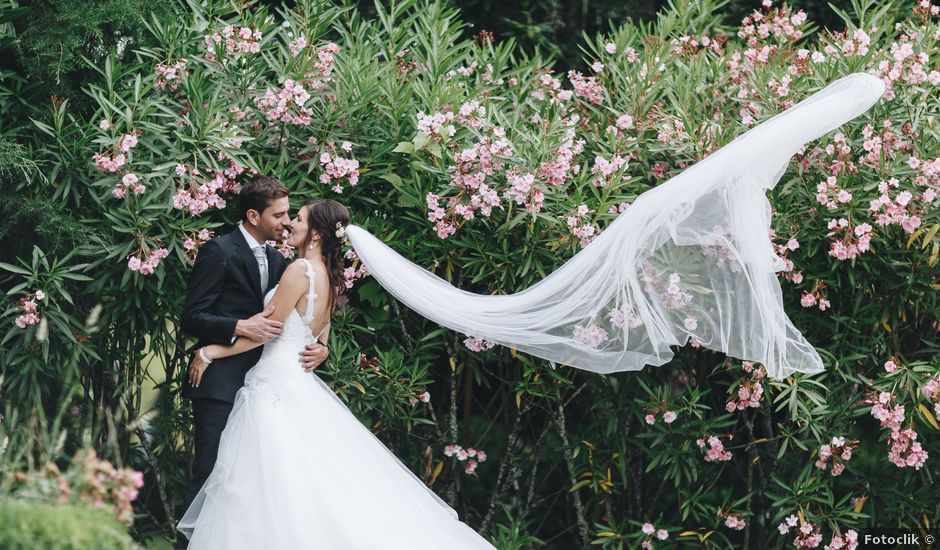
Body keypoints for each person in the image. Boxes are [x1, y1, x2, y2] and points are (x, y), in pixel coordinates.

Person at [177, 199, 495, 549]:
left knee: (266, 482)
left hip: (274, 382)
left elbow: (265, 331)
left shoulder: (299, 270)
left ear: (314, 234)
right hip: (296, 379)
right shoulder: (327, 274)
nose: (290, 224)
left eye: (297, 219)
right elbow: (320, 328)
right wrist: (322, 347)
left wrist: (210, 351)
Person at [177, 176, 330, 547]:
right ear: (252, 215)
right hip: (220, 384)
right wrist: (237, 325)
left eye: (290, 214)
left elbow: (305, 313)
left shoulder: (281, 260)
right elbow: (192, 317)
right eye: (279, 214)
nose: (287, 221)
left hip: (266, 386)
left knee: (254, 484)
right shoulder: (219, 251)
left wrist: (322, 347)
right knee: (211, 476)